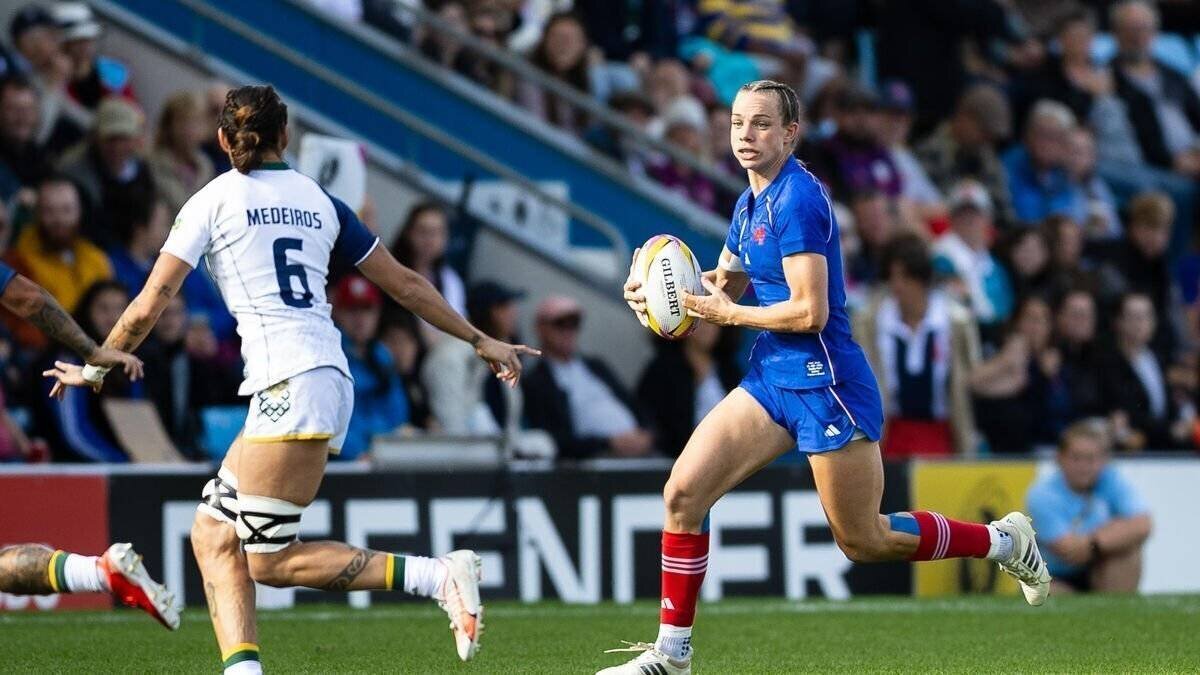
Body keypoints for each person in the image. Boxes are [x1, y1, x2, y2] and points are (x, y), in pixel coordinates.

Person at [44, 85, 537, 672]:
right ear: (285, 137)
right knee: (213, 534)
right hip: (317, 373)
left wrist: (95, 365)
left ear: (224, 140)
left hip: (290, 381)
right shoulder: (320, 201)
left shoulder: (210, 201)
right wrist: (479, 337)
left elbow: (150, 303)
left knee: (269, 560)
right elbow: (404, 284)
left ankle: (437, 576)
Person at [603, 80, 1051, 675]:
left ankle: (1004, 541)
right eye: (738, 123)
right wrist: (661, 296)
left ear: (790, 133)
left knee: (864, 539)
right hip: (772, 378)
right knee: (683, 495)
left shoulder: (799, 200)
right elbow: (724, 288)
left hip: (826, 383)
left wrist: (725, 314)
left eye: (762, 124)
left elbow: (807, 311)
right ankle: (672, 656)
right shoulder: (748, 202)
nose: (746, 135)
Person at [854, 235, 980, 457]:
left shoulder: (955, 322)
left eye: (904, 278)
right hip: (889, 433)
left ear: (921, 279)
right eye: (892, 277)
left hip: (942, 432)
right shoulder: (872, 322)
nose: (897, 286)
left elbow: (972, 374)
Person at [1026, 418, 1152, 593]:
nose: (1084, 466)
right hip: (1054, 574)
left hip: (1099, 564)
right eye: (1076, 458)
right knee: (1048, 593)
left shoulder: (1110, 478)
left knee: (1129, 553)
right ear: (1060, 458)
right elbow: (1068, 551)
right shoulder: (1042, 494)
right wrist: (1116, 529)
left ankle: (1116, 614)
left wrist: (1095, 542)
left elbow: (1143, 525)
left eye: (1091, 459)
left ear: (1104, 460)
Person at [524, 295, 654, 460]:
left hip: (640, 454)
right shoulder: (537, 381)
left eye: (574, 323)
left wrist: (647, 434)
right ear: (541, 328)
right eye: (560, 323)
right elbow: (555, 438)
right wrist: (608, 443)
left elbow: (633, 403)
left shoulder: (596, 366)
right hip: (591, 465)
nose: (568, 330)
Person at [5, 175, 113, 349]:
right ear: (37, 214)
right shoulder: (19, 260)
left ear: (79, 212)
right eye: (50, 211)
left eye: (66, 210)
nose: (59, 220)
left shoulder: (96, 259)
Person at [331, 273, 410, 460]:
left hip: (382, 455)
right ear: (338, 313)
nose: (360, 319)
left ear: (377, 314)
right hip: (342, 464)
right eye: (352, 309)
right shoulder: (328, 355)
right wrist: (358, 452)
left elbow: (397, 411)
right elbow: (327, 420)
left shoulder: (382, 355)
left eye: (367, 309)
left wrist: (393, 442)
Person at [1098, 292, 1190, 451]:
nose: (1140, 323)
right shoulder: (1107, 362)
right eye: (1134, 316)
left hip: (1166, 450)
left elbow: (1169, 404)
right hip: (1132, 452)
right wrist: (1170, 429)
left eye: (1146, 316)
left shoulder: (1158, 357)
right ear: (1118, 322)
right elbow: (1126, 411)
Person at [637, 321, 743, 458]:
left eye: (712, 321)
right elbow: (648, 419)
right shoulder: (662, 369)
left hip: (727, 457)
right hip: (676, 460)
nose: (707, 328)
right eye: (699, 321)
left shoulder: (729, 371)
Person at [1002, 100, 1086, 226]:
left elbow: (1075, 219)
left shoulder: (1066, 174)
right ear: (1027, 135)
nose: (1047, 143)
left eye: (1055, 137)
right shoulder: (1007, 167)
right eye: (1042, 134)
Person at [149, 91, 216, 216]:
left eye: (196, 122)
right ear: (169, 126)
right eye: (183, 122)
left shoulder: (206, 165)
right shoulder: (154, 163)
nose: (189, 131)